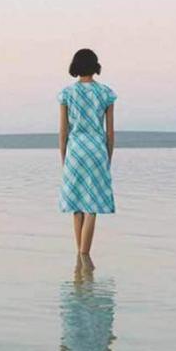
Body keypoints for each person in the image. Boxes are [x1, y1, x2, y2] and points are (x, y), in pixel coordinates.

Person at [57, 49, 117, 255]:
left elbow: (63, 131)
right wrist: (108, 157)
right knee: (92, 207)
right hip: (96, 150)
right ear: (95, 66)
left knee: (76, 205)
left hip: (75, 150)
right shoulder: (106, 93)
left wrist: (64, 158)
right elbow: (110, 132)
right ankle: (85, 256)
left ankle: (79, 258)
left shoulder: (67, 94)